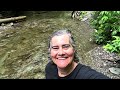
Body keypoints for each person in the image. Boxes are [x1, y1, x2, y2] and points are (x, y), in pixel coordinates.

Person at [45, 29, 110, 79]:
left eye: (66, 47)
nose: (61, 53)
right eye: (55, 48)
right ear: (50, 52)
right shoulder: (50, 68)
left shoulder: (86, 75)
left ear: (74, 49)